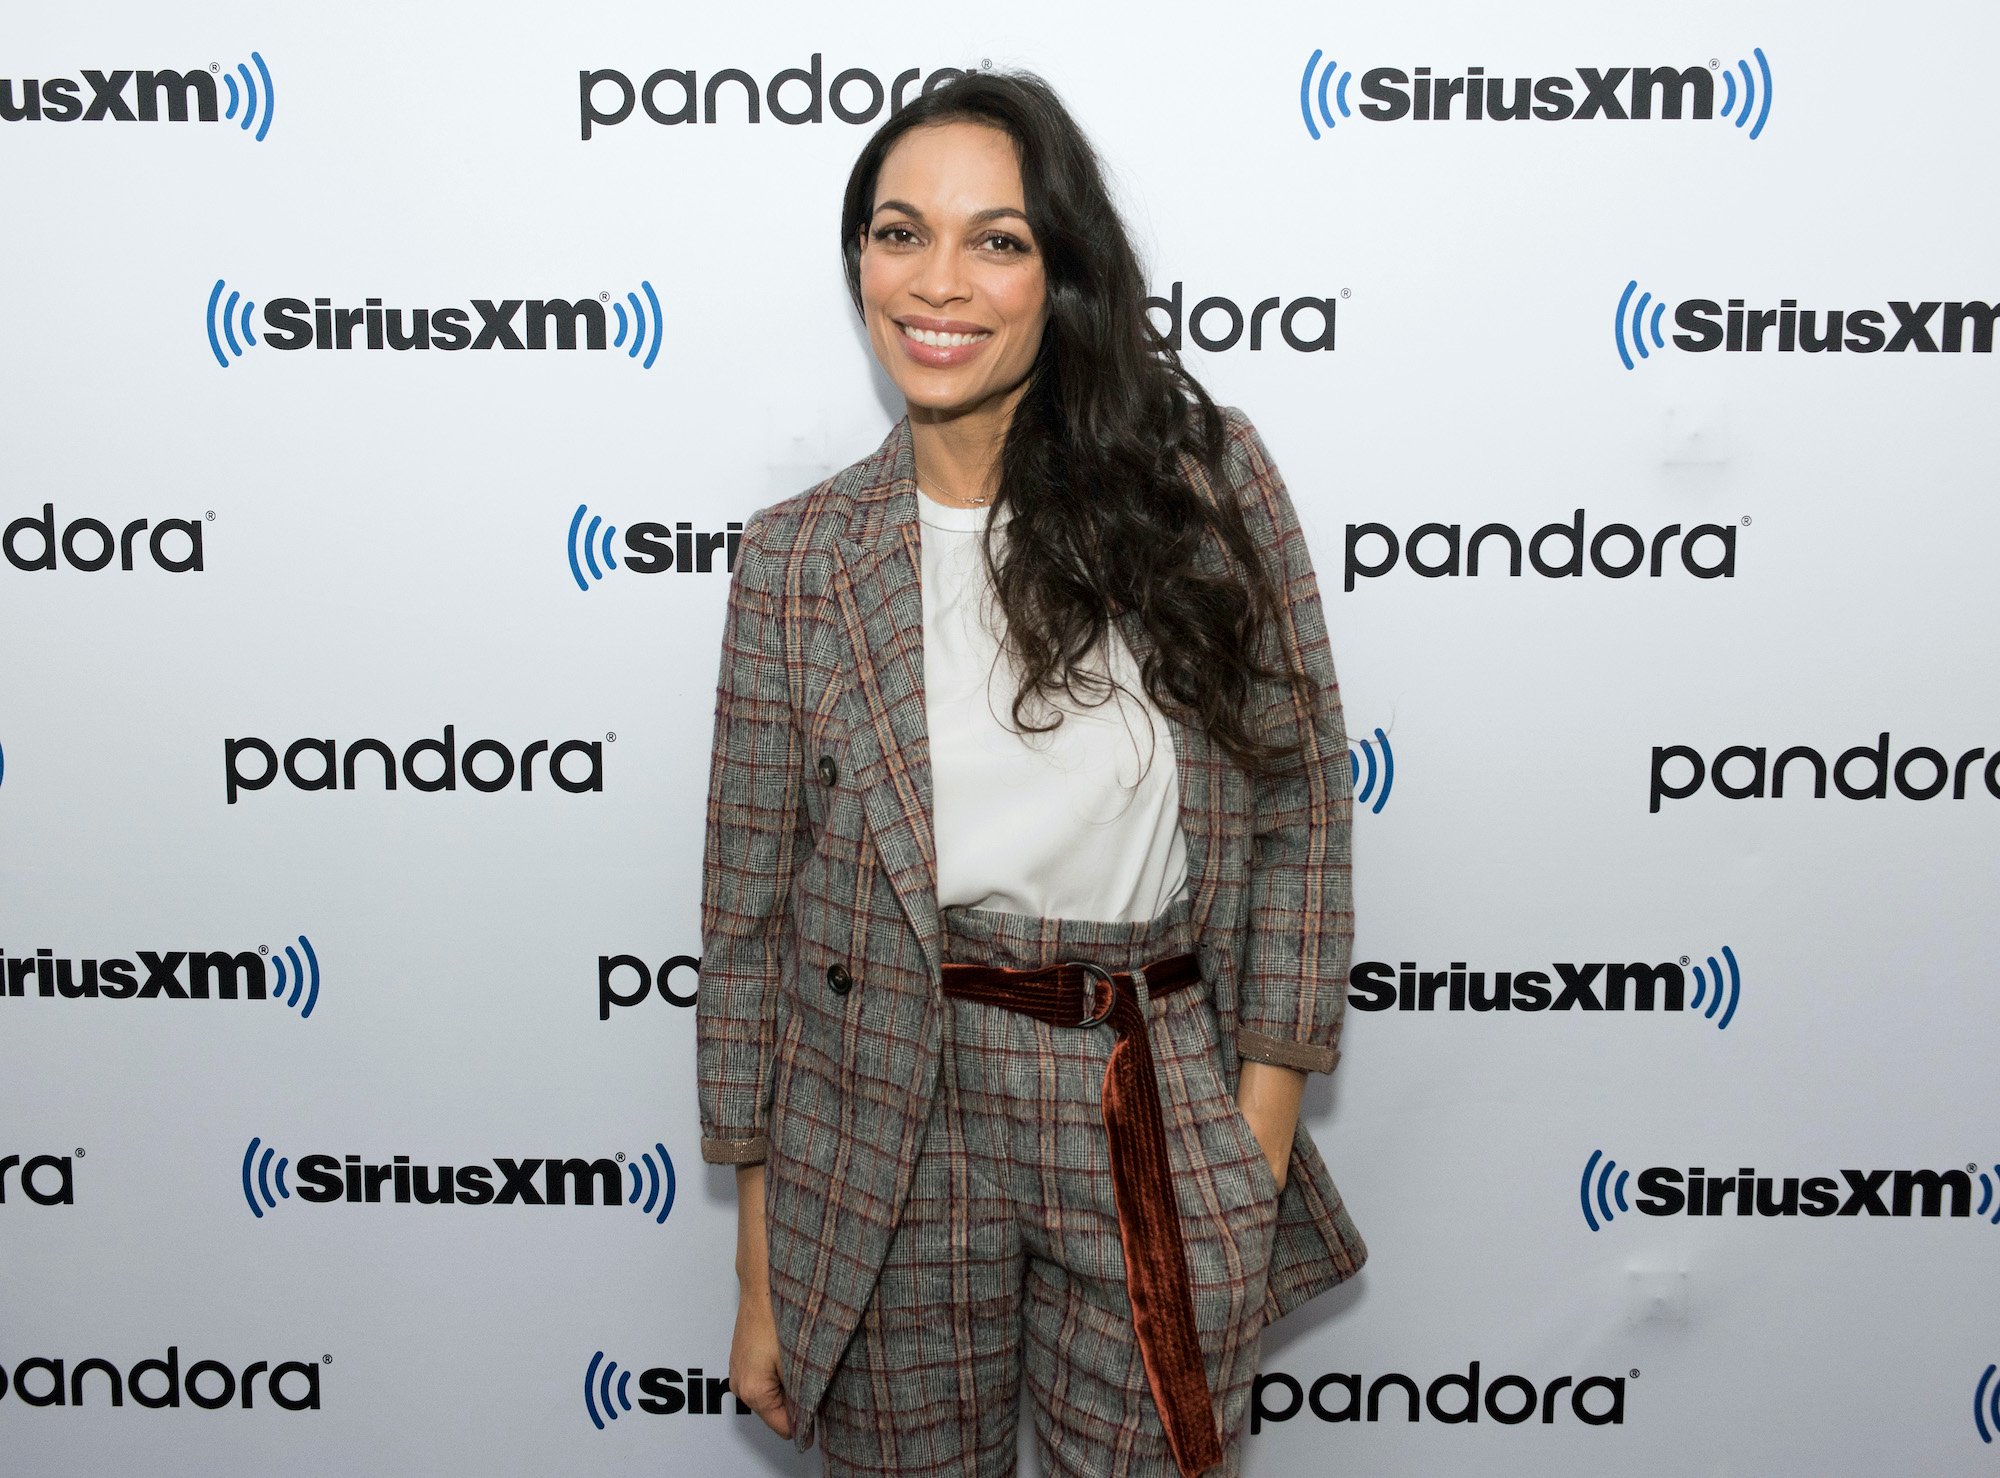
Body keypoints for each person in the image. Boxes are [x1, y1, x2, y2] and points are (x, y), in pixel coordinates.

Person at [697, 69, 1363, 1478]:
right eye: (898, 232)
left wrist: (1245, 1155)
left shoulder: (1203, 484)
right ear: (858, 260)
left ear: (1061, 271)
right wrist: (762, 1267)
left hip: (1141, 1089)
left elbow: (1301, 806)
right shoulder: (798, 560)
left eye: (996, 238)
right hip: (884, 1108)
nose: (938, 281)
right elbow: (746, 922)